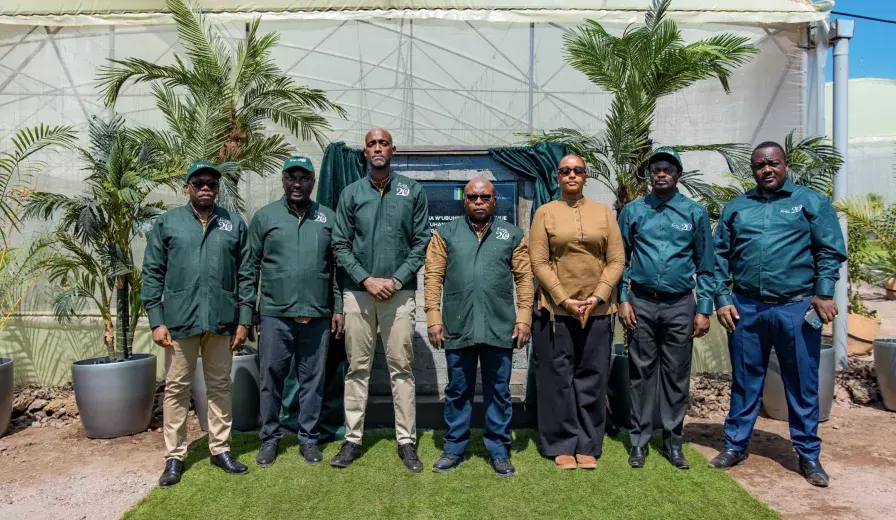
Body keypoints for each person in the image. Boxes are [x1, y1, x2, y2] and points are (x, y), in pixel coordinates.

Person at [710, 142, 846, 487]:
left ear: (785, 165)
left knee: (801, 381)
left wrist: (824, 292)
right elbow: (717, 257)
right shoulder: (737, 207)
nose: (766, 170)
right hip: (746, 308)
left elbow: (829, 250)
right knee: (744, 379)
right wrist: (723, 299)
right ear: (753, 170)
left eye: (772, 163)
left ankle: (808, 455)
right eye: (759, 165)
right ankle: (735, 445)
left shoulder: (810, 202)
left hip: (797, 307)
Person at [142, 161, 254, 487]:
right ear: (187, 187)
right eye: (199, 182)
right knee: (176, 389)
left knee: (220, 386)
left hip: (221, 320)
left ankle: (220, 449)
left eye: (212, 183)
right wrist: (156, 320)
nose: (206, 187)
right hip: (179, 321)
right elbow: (152, 274)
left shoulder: (234, 224)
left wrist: (244, 320)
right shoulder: (168, 223)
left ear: (218, 188)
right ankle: (174, 457)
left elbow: (246, 275)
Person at [330, 128, 431, 472]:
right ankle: (352, 439)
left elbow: (421, 241)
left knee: (401, 369)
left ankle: (407, 441)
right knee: (357, 368)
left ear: (393, 150)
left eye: (383, 143)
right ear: (365, 152)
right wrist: (365, 278)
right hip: (358, 294)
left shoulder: (411, 190)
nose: (377, 148)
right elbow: (340, 244)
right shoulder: (351, 193)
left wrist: (397, 278)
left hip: (399, 295)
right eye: (372, 143)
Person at [424, 177, 534, 478]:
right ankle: (454, 449)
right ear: (465, 200)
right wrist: (433, 318)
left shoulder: (511, 234)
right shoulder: (445, 233)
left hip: (499, 326)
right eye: (473, 197)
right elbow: (433, 277)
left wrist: (524, 316)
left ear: (494, 200)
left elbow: (525, 278)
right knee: (458, 389)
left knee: (499, 391)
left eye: (484, 197)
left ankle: (499, 451)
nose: (478, 202)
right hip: (457, 324)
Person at [617, 148, 713, 470]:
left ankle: (674, 442)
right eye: (656, 169)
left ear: (678, 175)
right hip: (641, 302)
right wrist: (623, 298)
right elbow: (620, 260)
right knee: (641, 374)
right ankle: (639, 443)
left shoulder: (694, 213)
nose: (661, 174)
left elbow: (707, 265)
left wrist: (704, 308)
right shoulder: (632, 212)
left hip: (679, 305)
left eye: (667, 169)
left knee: (676, 375)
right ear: (650, 175)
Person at [529, 154, 625, 470]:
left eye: (578, 170)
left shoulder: (603, 213)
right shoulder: (545, 212)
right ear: (558, 177)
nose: (572, 175)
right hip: (555, 312)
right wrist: (564, 299)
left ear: (586, 176)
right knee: (557, 378)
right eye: (566, 170)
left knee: (592, 377)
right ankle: (560, 443)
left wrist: (597, 297)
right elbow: (539, 262)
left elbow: (616, 260)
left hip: (598, 311)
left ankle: (587, 443)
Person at [248, 156, 344, 467]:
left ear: (313, 182)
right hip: (275, 314)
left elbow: (336, 271)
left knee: (313, 381)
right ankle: (270, 439)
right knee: (271, 379)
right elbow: (249, 267)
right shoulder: (265, 217)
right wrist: (250, 309)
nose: (297, 183)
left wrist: (337, 309)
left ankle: (308, 440)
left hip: (316, 314)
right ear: (283, 181)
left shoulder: (327, 219)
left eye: (304, 178)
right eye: (292, 178)